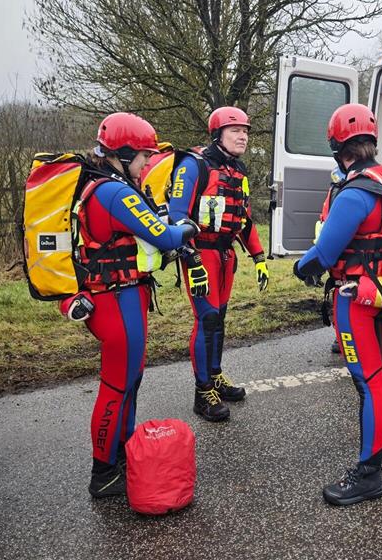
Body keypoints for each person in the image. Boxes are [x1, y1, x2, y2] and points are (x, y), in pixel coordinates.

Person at [58, 112, 200, 498]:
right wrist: (188, 227)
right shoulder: (114, 193)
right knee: (117, 385)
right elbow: (165, 236)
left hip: (122, 297)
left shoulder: (105, 185)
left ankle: (120, 453)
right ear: (122, 153)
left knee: (130, 381)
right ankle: (103, 472)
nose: (146, 164)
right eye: (143, 156)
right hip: (117, 301)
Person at [293, 103, 382, 506]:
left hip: (355, 298)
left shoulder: (355, 193)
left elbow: (324, 253)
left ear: (338, 147)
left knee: (367, 380)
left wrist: (300, 268)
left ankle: (368, 474)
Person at [167, 106, 268, 422]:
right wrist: (191, 258)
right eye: (235, 130)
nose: (243, 136)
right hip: (201, 254)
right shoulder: (193, 165)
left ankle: (215, 376)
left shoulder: (238, 170)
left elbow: (244, 218)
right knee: (207, 318)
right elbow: (177, 217)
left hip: (226, 256)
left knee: (219, 319)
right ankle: (202, 393)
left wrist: (259, 257)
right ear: (217, 134)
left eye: (246, 131)